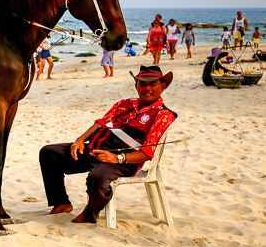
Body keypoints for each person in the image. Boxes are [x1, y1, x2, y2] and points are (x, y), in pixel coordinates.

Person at [39, 65, 177, 224]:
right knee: (49, 153)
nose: (147, 88)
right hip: (95, 150)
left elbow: (147, 153)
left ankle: (89, 214)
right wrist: (80, 140)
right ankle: (61, 203)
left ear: (163, 86)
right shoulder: (125, 103)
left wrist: (116, 157)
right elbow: (100, 122)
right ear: (136, 85)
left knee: (97, 178)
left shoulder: (163, 115)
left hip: (123, 162)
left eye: (152, 84)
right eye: (142, 83)